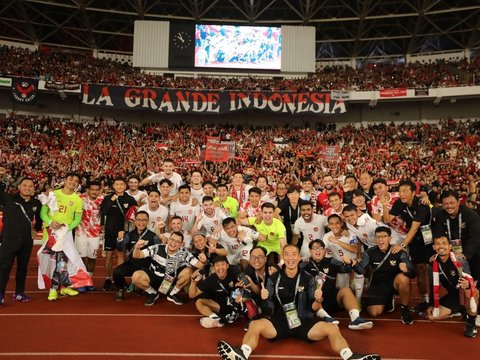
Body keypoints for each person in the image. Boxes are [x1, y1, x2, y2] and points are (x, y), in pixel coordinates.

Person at [217, 244, 380, 360]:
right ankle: (242, 354)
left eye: (293, 254)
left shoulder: (309, 279)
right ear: (282, 257)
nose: (290, 258)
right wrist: (265, 299)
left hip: (304, 321)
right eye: (286, 254)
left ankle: (349, 356)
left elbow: (314, 308)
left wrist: (318, 300)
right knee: (255, 325)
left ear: (298, 257)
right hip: (280, 322)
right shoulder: (273, 279)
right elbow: (268, 310)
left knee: (332, 328)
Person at [344, 226, 415, 325]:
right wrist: (352, 262)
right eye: (378, 237)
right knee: (374, 313)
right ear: (375, 239)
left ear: (390, 238)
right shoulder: (370, 252)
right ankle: (388, 301)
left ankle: (404, 308)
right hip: (378, 285)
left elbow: (413, 273)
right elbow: (361, 271)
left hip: (394, 283)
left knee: (404, 278)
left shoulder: (399, 251)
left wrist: (407, 270)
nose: (381, 240)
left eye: (384, 237)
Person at [38, 173, 92, 301]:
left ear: (78, 184)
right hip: (51, 234)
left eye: (76, 181)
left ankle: (63, 286)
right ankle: (54, 289)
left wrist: (67, 228)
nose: (73, 182)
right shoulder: (53, 194)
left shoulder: (78, 200)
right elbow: (43, 213)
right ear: (65, 180)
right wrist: (50, 223)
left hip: (65, 235)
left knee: (63, 261)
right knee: (56, 262)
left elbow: (77, 219)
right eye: (70, 179)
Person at [383, 179, 434, 312]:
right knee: (420, 269)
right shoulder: (399, 202)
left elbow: (415, 226)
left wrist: (403, 245)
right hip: (415, 239)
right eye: (400, 191)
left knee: (432, 269)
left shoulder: (422, 203)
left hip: (430, 237)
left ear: (413, 192)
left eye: (405, 191)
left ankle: (437, 300)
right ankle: (425, 301)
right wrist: (384, 205)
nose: (402, 194)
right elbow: (387, 219)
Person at [301, 239, 373, 330]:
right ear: (310, 251)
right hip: (315, 301)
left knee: (346, 290)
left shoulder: (331, 261)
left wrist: (349, 262)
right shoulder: (304, 265)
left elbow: (346, 269)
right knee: (312, 296)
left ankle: (355, 319)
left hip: (332, 298)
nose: (318, 250)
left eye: (320, 248)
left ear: (324, 251)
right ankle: (326, 318)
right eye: (315, 248)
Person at [0, 167, 42, 305]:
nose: (27, 188)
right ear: (19, 187)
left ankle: (19, 293)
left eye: (30, 186)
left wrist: (36, 229)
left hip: (26, 241)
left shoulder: (36, 203)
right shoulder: (9, 198)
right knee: (4, 267)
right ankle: (0, 294)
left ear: (34, 189)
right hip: (9, 239)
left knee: (23, 268)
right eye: (24, 185)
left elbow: (39, 219)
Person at [131, 231, 202, 306]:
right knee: (136, 276)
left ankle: (172, 294)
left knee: (188, 272)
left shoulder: (184, 252)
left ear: (181, 244)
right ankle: (153, 293)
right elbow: (137, 256)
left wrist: (204, 261)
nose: (173, 243)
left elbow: (199, 265)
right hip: (154, 278)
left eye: (177, 242)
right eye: (172, 240)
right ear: (168, 240)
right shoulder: (157, 247)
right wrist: (137, 248)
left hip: (168, 281)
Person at [426, 236, 478, 338]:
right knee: (433, 316)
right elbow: (433, 286)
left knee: (468, 291)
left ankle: (471, 323)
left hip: (469, 292)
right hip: (454, 295)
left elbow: (470, 281)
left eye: (444, 243)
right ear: (433, 247)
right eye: (437, 243)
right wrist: (432, 304)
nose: (441, 246)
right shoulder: (433, 263)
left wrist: (467, 285)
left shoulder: (459, 260)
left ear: (450, 246)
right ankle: (462, 309)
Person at [432, 189, 480, 286]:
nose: (449, 206)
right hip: (450, 253)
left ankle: (468, 291)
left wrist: (465, 254)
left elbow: (475, 238)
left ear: (458, 202)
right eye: (445, 203)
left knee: (465, 267)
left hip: (472, 254)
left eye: (452, 203)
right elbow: (440, 236)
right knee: (433, 263)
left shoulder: (471, 215)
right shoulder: (440, 216)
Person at [113, 210, 161, 301]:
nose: (141, 222)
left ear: (148, 221)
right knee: (117, 272)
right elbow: (120, 249)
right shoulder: (129, 235)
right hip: (133, 263)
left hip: (147, 265)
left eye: (144, 220)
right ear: (134, 221)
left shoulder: (153, 236)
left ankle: (146, 288)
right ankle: (121, 288)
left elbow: (159, 252)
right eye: (139, 220)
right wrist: (119, 239)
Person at [100, 177, 137, 291]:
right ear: (113, 186)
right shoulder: (108, 198)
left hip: (124, 232)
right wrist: (111, 200)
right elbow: (104, 212)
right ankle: (107, 279)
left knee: (121, 255)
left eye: (122, 184)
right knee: (109, 256)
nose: (119, 186)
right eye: (117, 184)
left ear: (125, 186)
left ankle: (119, 279)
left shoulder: (130, 199)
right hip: (110, 232)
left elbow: (135, 214)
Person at [189, 255, 242, 328]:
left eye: (223, 264)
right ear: (213, 268)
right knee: (199, 302)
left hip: (235, 304)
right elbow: (192, 295)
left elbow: (245, 285)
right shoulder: (210, 279)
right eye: (217, 265)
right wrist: (193, 282)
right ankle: (217, 320)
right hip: (220, 307)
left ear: (227, 266)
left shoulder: (235, 272)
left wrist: (239, 288)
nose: (220, 268)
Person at [75, 180, 104, 292]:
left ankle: (89, 280)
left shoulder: (103, 200)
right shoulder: (80, 198)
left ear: (100, 190)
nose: (94, 192)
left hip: (95, 235)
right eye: (92, 189)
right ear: (88, 190)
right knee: (81, 258)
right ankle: (82, 281)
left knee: (92, 259)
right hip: (80, 233)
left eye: (97, 190)